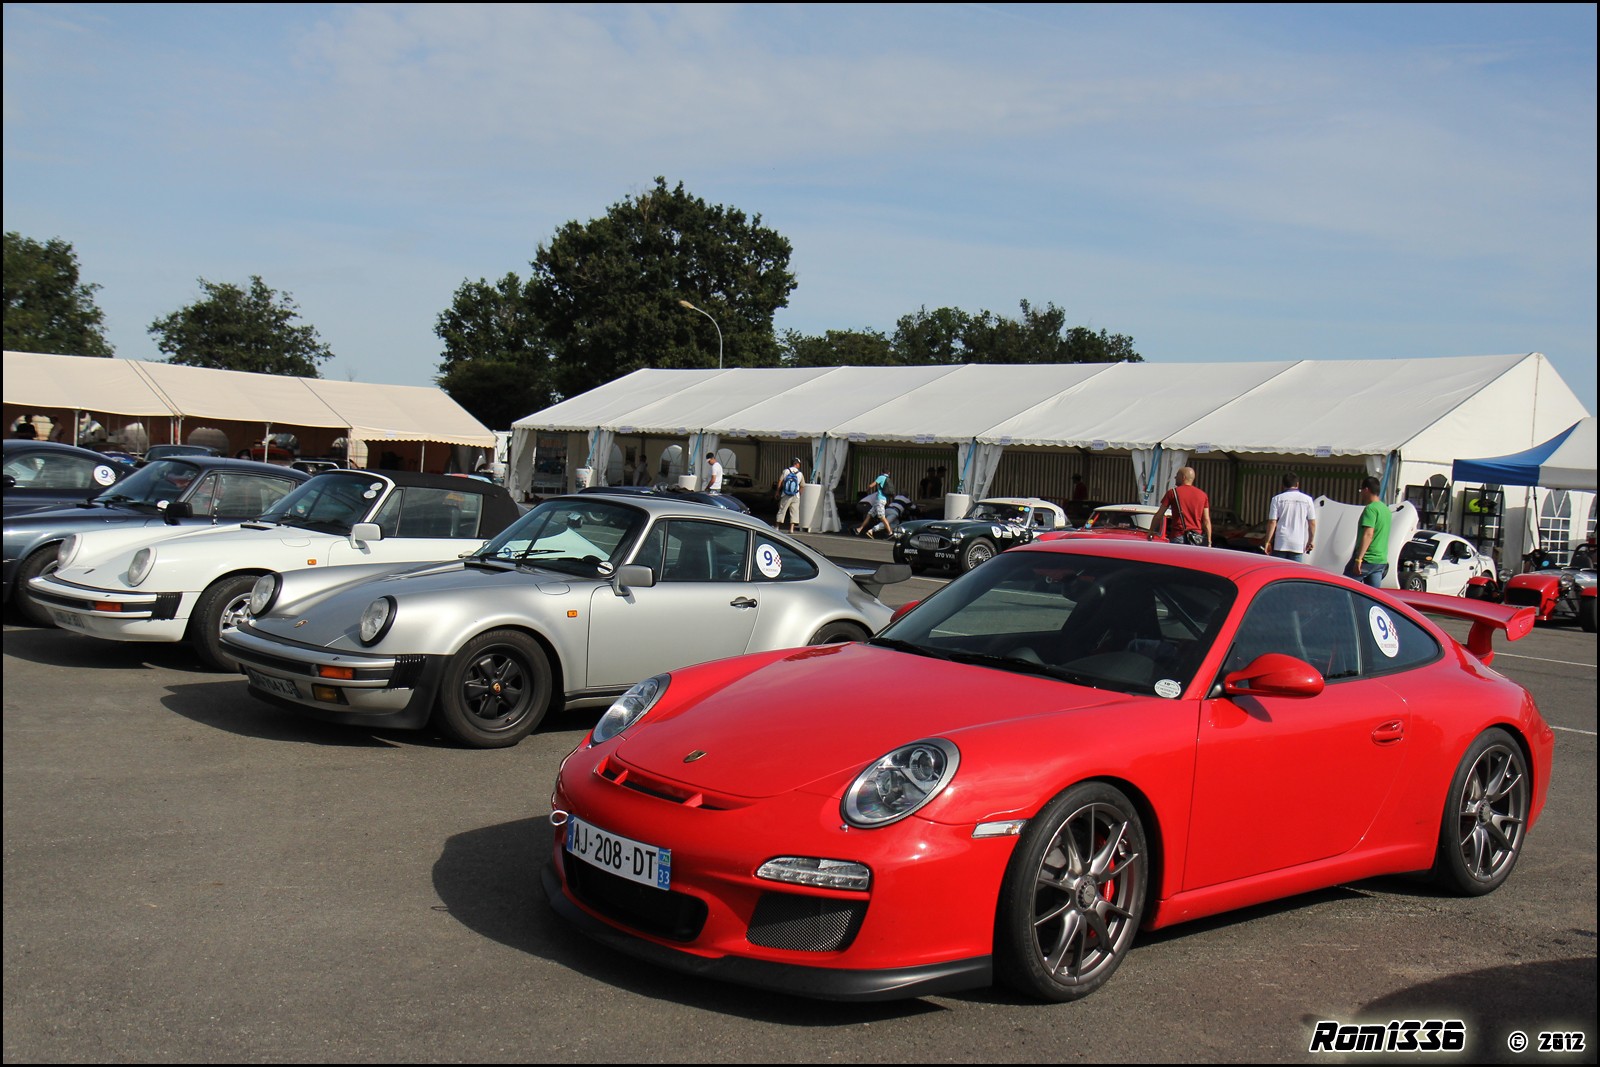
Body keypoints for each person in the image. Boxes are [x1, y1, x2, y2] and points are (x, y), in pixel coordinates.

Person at [1149, 467, 1211, 546]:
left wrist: (1151, 531)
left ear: (1183, 477)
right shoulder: (1203, 495)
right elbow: (1206, 520)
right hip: (1196, 538)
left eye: (1177, 475)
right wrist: (1209, 540)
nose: (1175, 477)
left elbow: (1159, 515)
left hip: (1178, 535)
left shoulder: (1172, 493)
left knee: (1176, 558)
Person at [1347, 476, 1391, 586]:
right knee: (1372, 595)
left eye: (1361, 490)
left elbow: (1368, 534)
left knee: (1345, 587)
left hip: (1367, 558)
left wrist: (1359, 559)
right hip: (1380, 560)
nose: (1361, 493)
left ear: (1366, 490)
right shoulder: (1386, 510)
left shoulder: (1370, 509)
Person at [1263, 472, 1316, 561]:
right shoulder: (1307, 500)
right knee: (1295, 573)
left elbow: (1272, 522)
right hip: (1297, 544)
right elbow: (1312, 523)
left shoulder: (1277, 499)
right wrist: (1310, 541)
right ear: (1297, 484)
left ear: (1283, 485)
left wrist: (1267, 541)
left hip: (1281, 543)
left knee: (1278, 572)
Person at [855, 469, 894, 539]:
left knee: (882, 517)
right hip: (880, 500)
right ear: (889, 473)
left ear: (882, 472)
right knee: (869, 515)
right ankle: (860, 529)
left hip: (879, 500)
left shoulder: (881, 477)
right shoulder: (888, 480)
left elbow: (871, 485)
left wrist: (867, 490)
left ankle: (890, 532)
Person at [775, 457, 806, 533]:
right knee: (794, 511)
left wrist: (777, 491)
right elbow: (802, 485)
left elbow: (780, 482)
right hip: (795, 495)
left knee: (782, 510)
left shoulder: (785, 471)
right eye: (799, 464)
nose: (799, 465)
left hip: (785, 494)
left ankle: (777, 527)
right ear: (797, 464)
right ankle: (791, 529)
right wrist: (799, 493)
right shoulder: (800, 474)